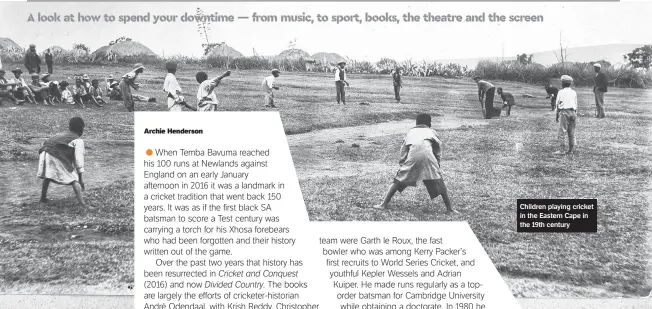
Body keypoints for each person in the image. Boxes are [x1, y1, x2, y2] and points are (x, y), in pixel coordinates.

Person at [372, 113, 457, 214]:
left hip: (412, 157)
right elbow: (438, 149)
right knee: (439, 182)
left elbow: (403, 149)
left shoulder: (411, 132)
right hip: (428, 157)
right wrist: (437, 163)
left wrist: (403, 163)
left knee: (398, 181)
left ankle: (383, 204)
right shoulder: (432, 132)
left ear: (416, 123)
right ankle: (449, 208)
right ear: (429, 124)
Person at [37, 117, 89, 208]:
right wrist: (80, 179)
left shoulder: (60, 135)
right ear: (81, 130)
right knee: (74, 180)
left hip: (44, 153)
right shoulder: (78, 140)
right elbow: (79, 160)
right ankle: (82, 204)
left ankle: (43, 199)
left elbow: (47, 143)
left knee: (47, 177)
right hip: (54, 153)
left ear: (70, 127)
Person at [554, 75, 578, 155]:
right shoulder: (573, 92)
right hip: (573, 112)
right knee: (571, 132)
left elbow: (558, 104)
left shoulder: (561, 92)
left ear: (563, 83)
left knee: (562, 131)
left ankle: (562, 150)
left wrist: (557, 114)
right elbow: (575, 104)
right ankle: (571, 149)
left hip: (564, 112)